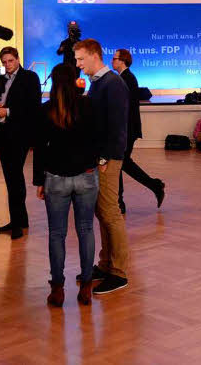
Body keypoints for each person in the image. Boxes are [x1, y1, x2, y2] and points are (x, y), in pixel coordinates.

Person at [33, 63, 99, 307]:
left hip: (56, 177)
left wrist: (39, 180)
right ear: (76, 79)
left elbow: (40, 148)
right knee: (86, 231)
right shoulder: (88, 105)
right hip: (86, 175)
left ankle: (58, 289)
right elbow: (97, 139)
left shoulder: (46, 110)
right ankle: (86, 287)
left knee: (56, 234)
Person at [74, 38, 131, 295]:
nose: (78, 64)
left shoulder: (113, 84)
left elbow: (118, 127)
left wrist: (105, 158)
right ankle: (106, 264)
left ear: (95, 56)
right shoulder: (99, 84)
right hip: (100, 157)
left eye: (80, 59)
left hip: (108, 159)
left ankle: (119, 272)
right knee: (102, 211)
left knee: (110, 212)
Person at [0, 46, 42, 239]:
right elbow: (2, 102)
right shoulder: (2, 80)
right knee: (11, 179)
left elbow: (33, 106)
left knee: (15, 179)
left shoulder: (30, 77)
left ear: (18, 59)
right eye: (4, 62)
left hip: (20, 135)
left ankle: (18, 222)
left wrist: (8, 111)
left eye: (10, 61)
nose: (7, 65)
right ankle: (19, 220)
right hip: (4, 134)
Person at [112, 49, 165, 213]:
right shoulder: (125, 78)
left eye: (114, 59)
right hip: (127, 129)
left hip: (127, 129)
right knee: (121, 163)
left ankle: (120, 202)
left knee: (120, 163)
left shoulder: (127, 79)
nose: (112, 61)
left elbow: (125, 108)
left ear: (122, 60)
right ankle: (121, 201)